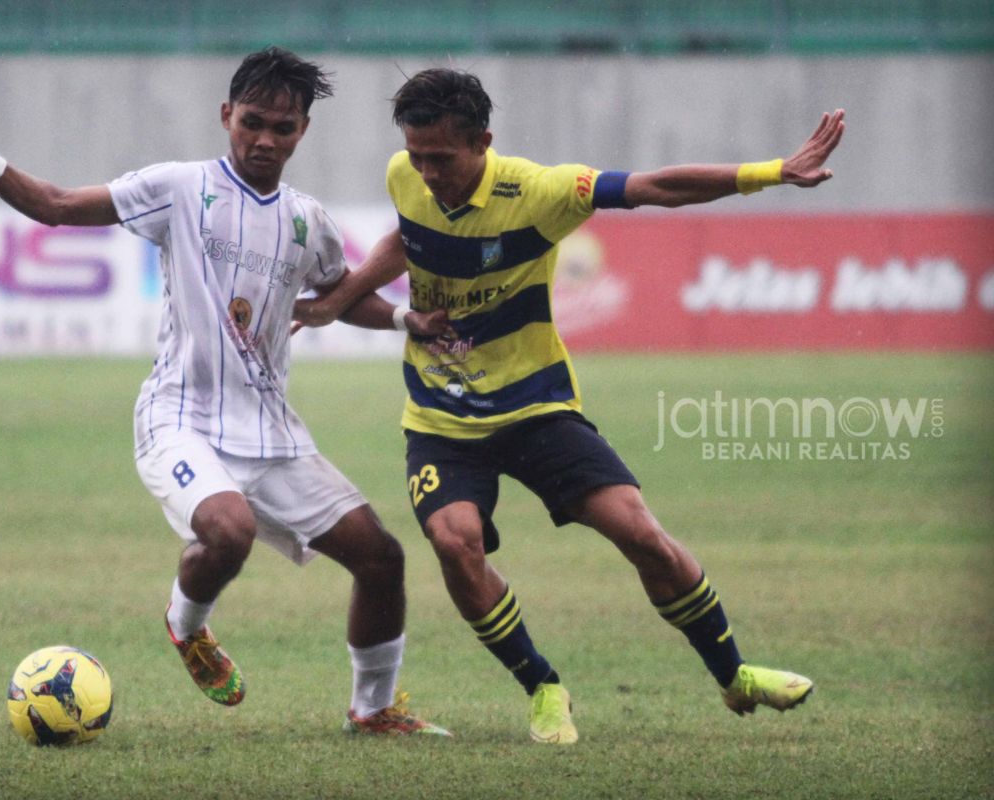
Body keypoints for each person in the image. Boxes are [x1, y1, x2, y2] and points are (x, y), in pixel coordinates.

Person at [295, 67, 845, 744]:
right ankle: (542, 686)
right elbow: (408, 238)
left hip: (536, 408)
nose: (428, 170)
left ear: (483, 141)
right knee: (453, 542)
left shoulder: (541, 192)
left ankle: (734, 675)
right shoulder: (405, 175)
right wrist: (341, 297)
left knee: (640, 533)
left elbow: (654, 187)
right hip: (442, 418)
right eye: (417, 155)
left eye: (442, 157)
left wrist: (770, 172)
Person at [0, 48, 453, 737]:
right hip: (180, 417)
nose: (265, 139)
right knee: (227, 530)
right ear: (225, 116)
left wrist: (399, 318)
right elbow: (57, 206)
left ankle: (373, 709)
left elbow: (336, 296)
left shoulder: (307, 220)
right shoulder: (180, 188)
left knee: (381, 558)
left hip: (271, 431)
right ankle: (188, 628)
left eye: (283, 127)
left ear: (303, 131)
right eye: (252, 122)